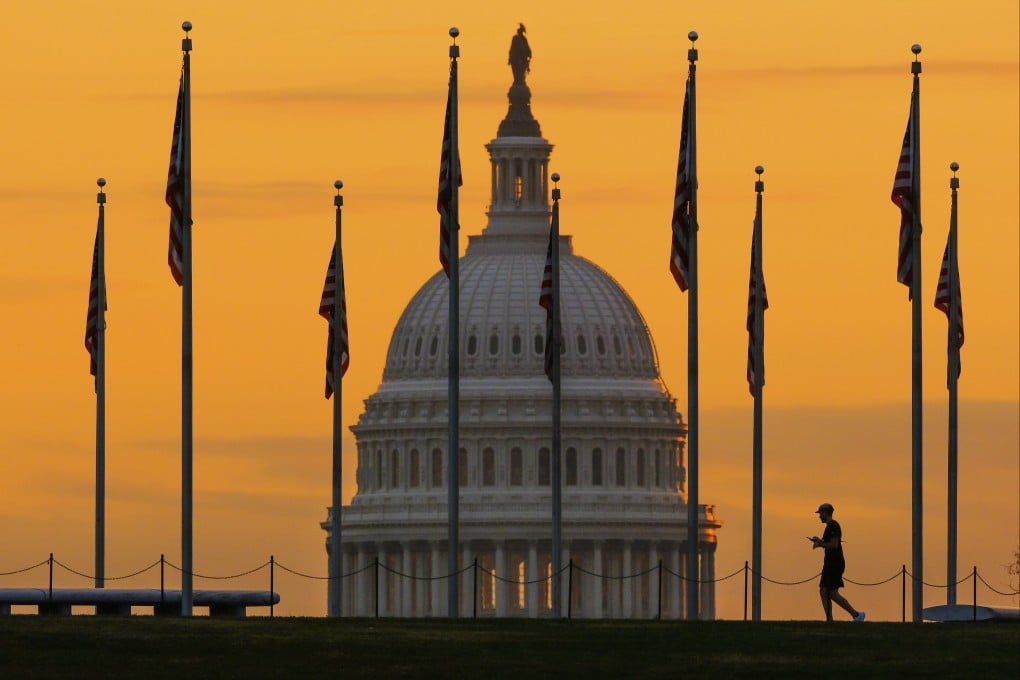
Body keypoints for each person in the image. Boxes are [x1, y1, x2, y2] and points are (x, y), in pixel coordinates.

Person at [809, 503, 865, 622]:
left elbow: (834, 545)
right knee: (824, 591)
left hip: (834, 564)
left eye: (820, 514)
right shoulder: (830, 526)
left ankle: (856, 615)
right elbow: (830, 544)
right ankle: (831, 619)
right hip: (830, 563)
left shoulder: (833, 526)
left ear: (826, 513)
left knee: (831, 592)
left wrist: (820, 544)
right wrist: (820, 541)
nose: (819, 516)